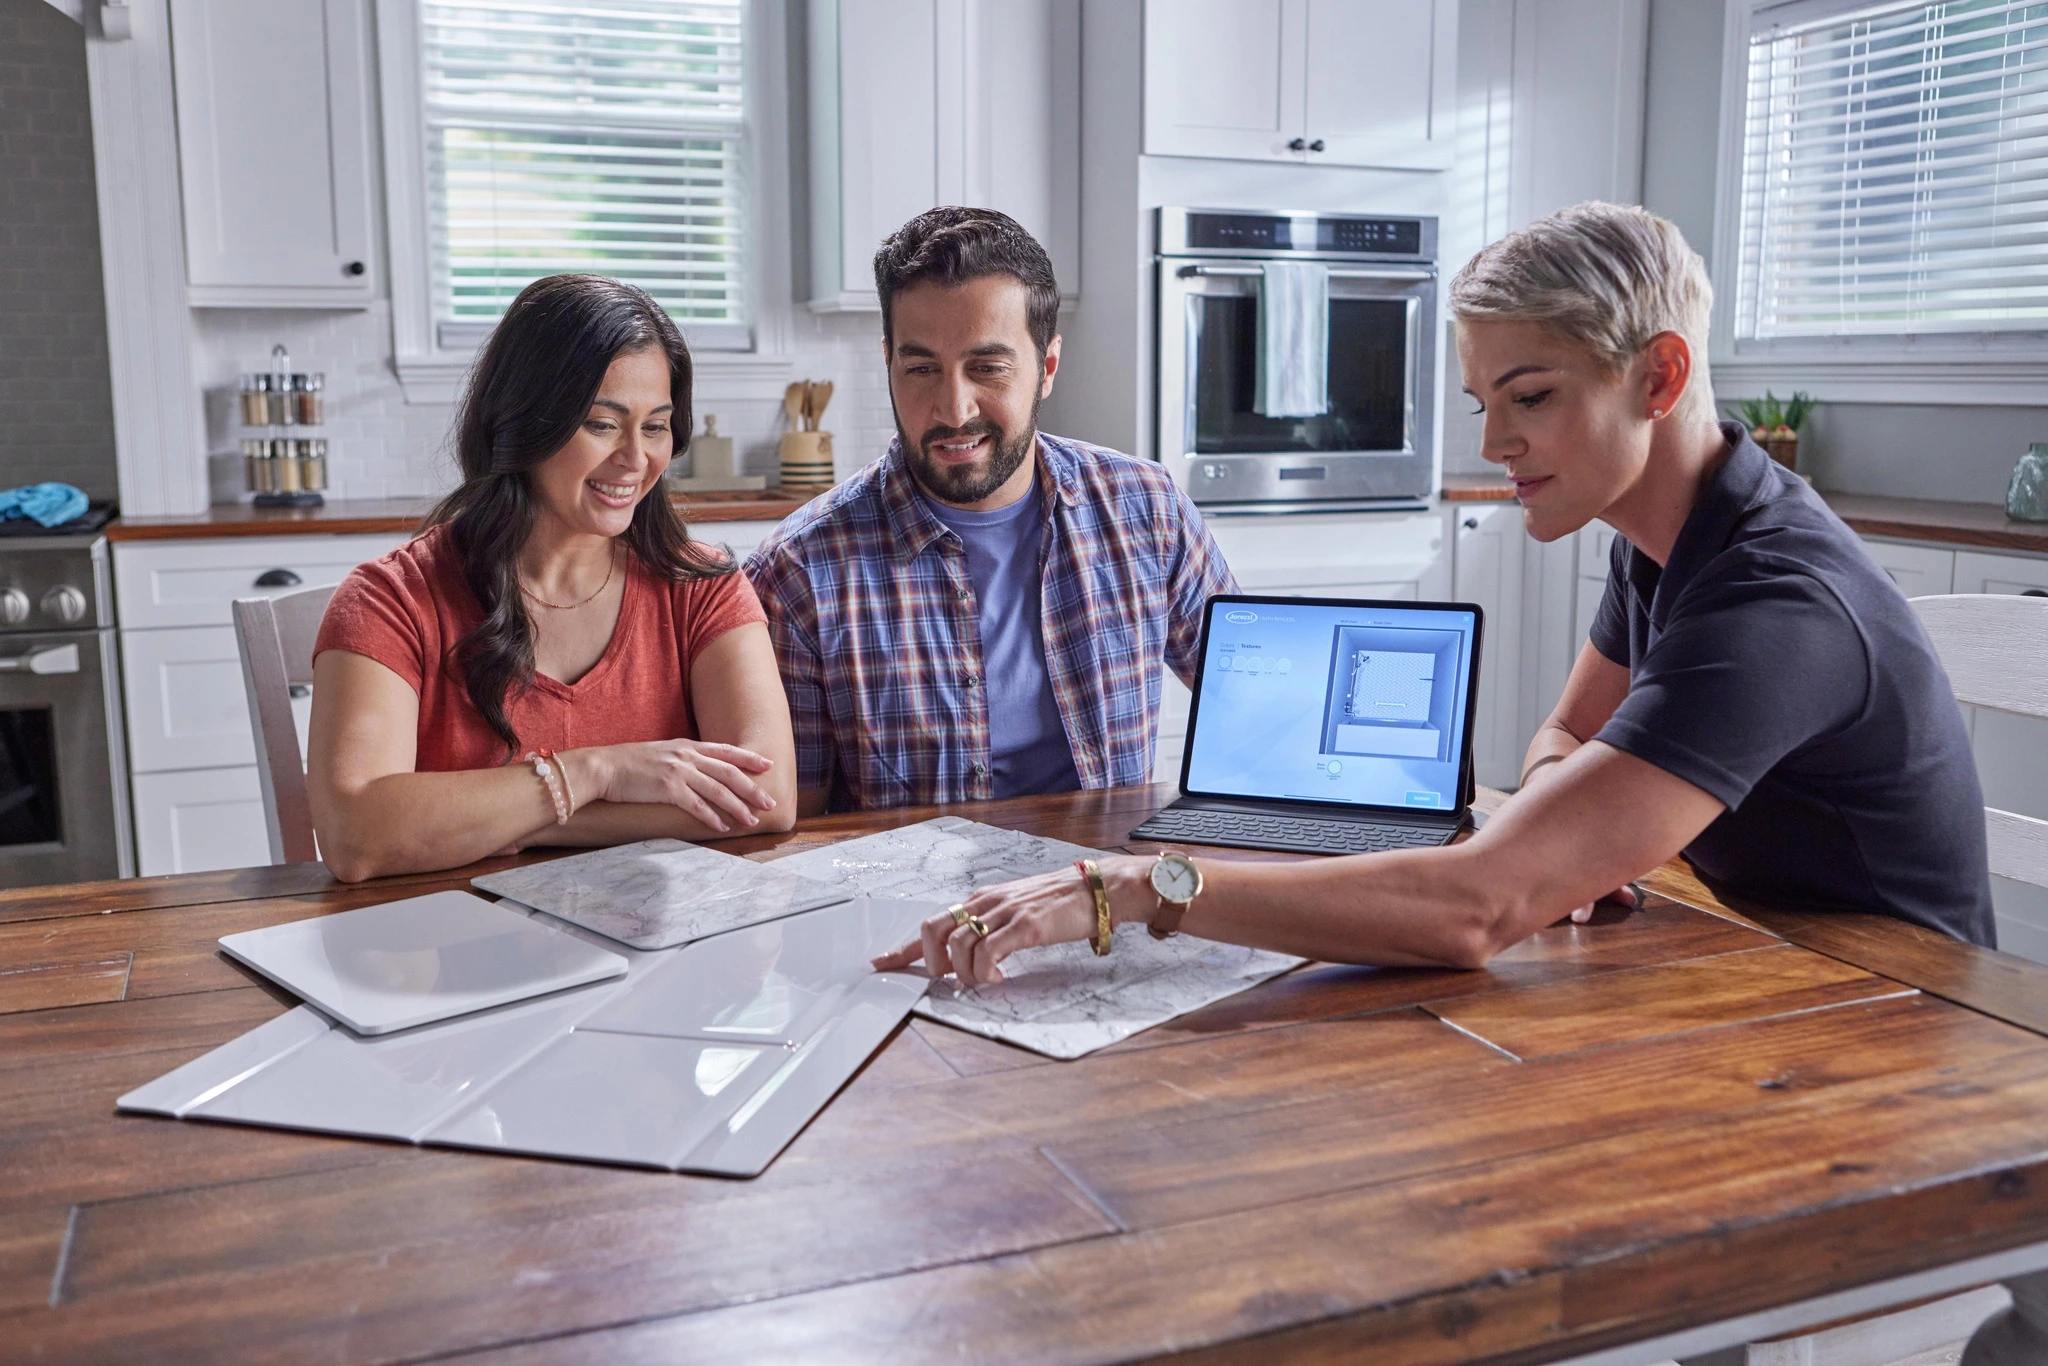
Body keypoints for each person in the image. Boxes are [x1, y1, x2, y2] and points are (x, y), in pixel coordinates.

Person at [880, 200, 1995, 985]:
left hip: (1886, 1017)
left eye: (1530, 396)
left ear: (1657, 375)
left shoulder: (1773, 605)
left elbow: (1473, 908)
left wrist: (1132, 887)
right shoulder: (1663, 535)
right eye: (1480, 402)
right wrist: (1571, 843)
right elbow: (1562, 736)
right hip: (1741, 953)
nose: (1496, 441)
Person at [744, 207, 1236, 813]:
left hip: (1109, 887)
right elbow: (796, 827)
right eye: (921, 368)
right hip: (915, 905)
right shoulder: (798, 572)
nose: (953, 409)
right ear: (889, 363)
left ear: (1046, 367)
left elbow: (1244, 705)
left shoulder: (1148, 510)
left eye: (988, 368)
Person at [307, 274, 796, 882]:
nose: (635, 458)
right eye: (601, 423)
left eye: (655, 426)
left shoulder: (702, 587)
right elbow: (356, 837)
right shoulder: (391, 601)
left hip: (659, 960)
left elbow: (766, 794)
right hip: (451, 956)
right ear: (524, 421)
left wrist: (527, 819)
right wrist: (595, 773)